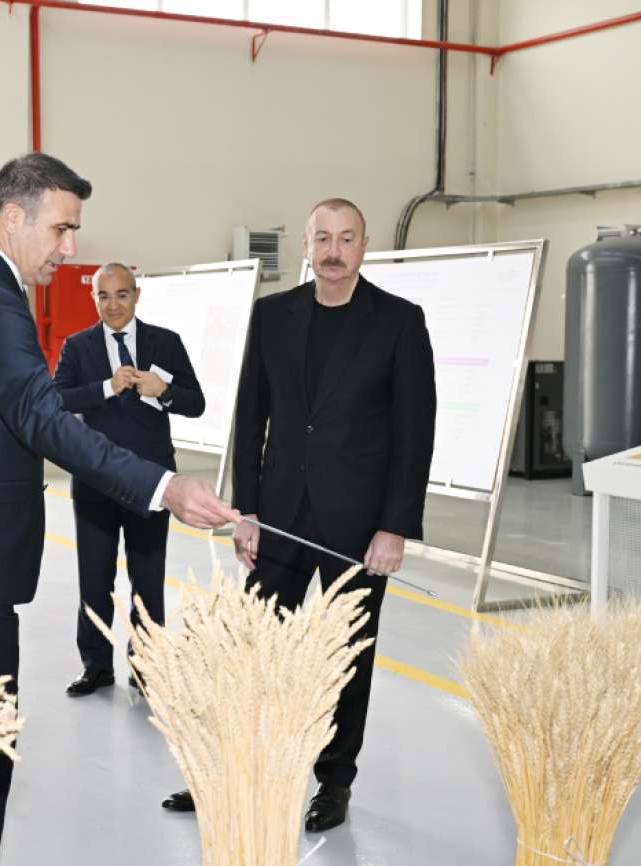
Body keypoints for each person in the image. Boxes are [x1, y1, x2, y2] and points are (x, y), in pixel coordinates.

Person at [0, 153, 237, 866]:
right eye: (62, 229)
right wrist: (163, 487)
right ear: (14, 216)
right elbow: (41, 418)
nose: (69, 250)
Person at [161, 197, 436, 832]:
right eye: (323, 238)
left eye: (347, 238)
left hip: (359, 528)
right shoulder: (272, 315)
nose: (334, 251)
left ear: (364, 245)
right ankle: (230, 768)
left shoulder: (399, 321)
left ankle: (334, 783)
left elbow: (414, 432)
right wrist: (248, 512)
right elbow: (250, 415)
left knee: (348, 658)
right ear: (306, 246)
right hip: (280, 517)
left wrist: (395, 526)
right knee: (253, 650)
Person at [53, 262, 206, 696]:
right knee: (94, 579)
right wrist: (106, 386)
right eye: (103, 296)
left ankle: (147, 666)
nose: (113, 305)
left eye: (122, 294)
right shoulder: (78, 346)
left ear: (136, 295)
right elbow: (57, 399)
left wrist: (165, 391)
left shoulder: (165, 342)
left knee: (148, 578)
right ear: (94, 299)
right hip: (95, 481)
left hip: (152, 482)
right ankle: (96, 666)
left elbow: (196, 403)